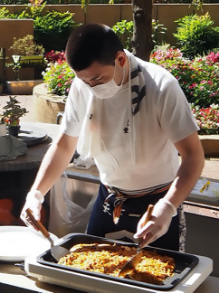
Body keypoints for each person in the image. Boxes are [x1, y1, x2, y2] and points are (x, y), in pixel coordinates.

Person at [21, 23, 205, 252]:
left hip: (157, 203)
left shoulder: (162, 87)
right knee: (92, 273)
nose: (92, 87)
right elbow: (64, 145)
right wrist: (36, 193)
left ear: (120, 60)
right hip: (108, 199)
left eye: (97, 79)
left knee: (157, 279)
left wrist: (168, 207)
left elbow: (193, 157)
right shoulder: (82, 87)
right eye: (85, 81)